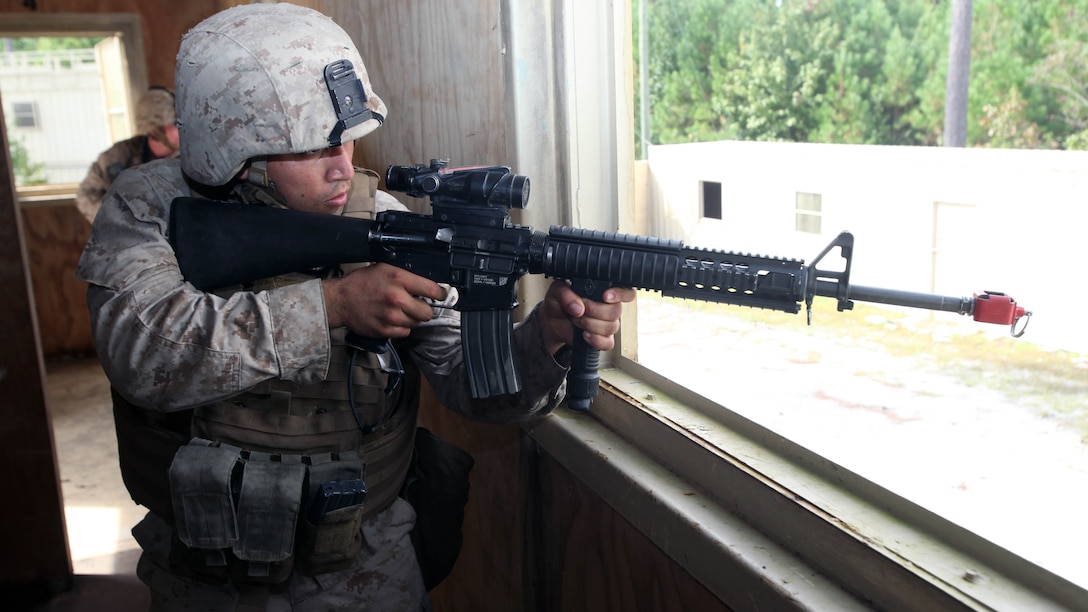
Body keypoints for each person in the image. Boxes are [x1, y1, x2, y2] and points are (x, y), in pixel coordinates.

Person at [75, 4, 633, 611]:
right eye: (315, 148)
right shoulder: (148, 210)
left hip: (365, 567)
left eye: (347, 139)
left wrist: (544, 337)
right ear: (236, 149)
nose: (344, 167)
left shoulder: (383, 217)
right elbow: (144, 355)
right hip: (207, 577)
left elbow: (479, 389)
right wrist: (333, 305)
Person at [74, 85, 180, 224]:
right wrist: (120, 219)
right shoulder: (119, 156)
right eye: (175, 124)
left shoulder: (193, 159)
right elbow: (86, 195)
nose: (182, 129)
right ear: (155, 131)